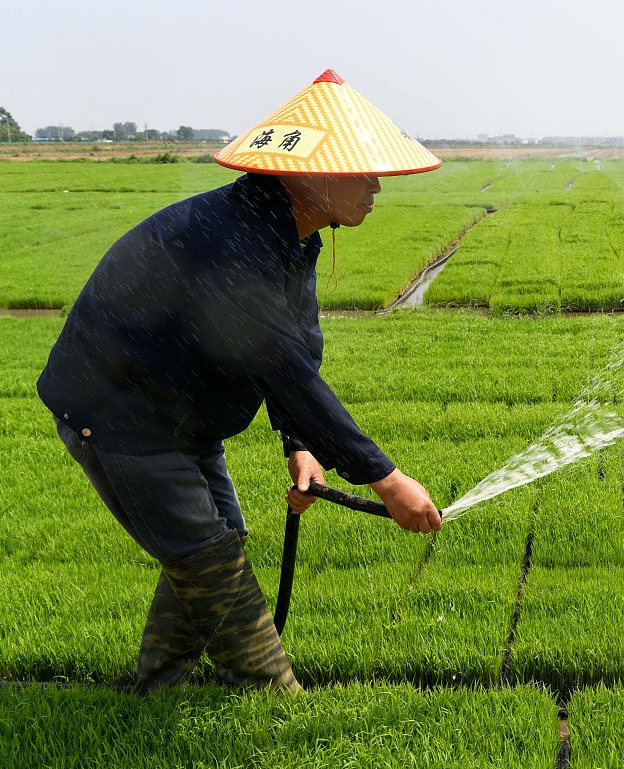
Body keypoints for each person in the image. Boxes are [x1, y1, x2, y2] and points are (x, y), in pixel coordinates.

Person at [37, 69, 442, 693]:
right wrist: (385, 480)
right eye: (363, 173)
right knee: (211, 563)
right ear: (312, 176)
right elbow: (279, 363)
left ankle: (156, 690)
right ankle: (272, 700)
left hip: (185, 414)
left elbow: (296, 351)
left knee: (212, 548)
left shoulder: (290, 232)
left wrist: (299, 446)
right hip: (122, 416)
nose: (377, 188)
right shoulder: (232, 240)